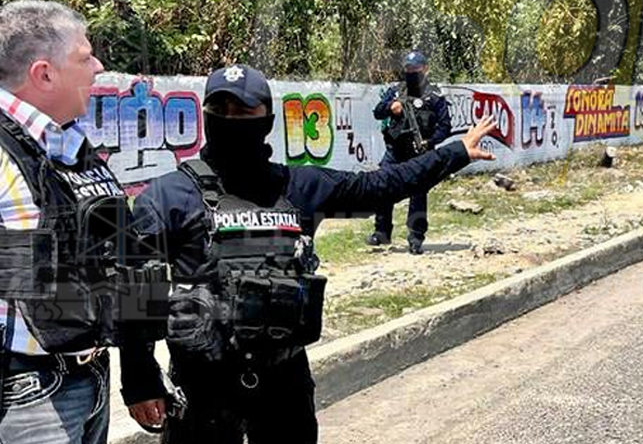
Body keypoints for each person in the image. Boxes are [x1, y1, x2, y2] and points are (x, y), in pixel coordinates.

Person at [119, 64, 496, 443]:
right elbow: (135, 290)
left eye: (244, 110)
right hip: (203, 389)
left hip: (284, 385)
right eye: (221, 110)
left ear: (267, 119)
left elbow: (381, 185)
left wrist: (456, 152)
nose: (232, 118)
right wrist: (139, 380)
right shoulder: (169, 196)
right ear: (206, 117)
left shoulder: (298, 186)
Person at [0, 0, 168, 444]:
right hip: (26, 393)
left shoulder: (70, 143)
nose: (98, 67)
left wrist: (140, 371)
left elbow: (127, 258)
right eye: (84, 57)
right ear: (44, 74)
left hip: (91, 377)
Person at [369, 51, 451, 254]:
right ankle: (381, 231)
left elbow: (445, 126)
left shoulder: (434, 96)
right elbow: (378, 112)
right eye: (408, 69)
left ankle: (416, 237)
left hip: (421, 152)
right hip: (395, 150)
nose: (411, 72)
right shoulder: (396, 91)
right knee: (383, 186)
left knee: (418, 194)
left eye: (415, 69)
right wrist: (391, 106)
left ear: (425, 69)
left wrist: (429, 142)